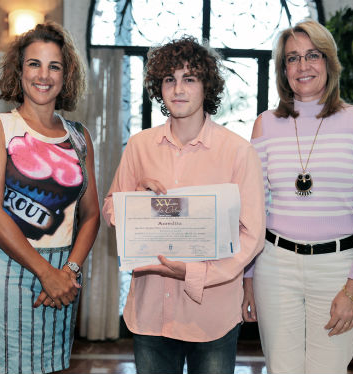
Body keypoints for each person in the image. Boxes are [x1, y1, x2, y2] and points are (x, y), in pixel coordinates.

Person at [102, 36, 265, 374]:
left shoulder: (238, 152)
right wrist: (135, 201)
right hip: (150, 313)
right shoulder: (139, 146)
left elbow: (252, 236)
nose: (178, 89)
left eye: (189, 78)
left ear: (207, 86)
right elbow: (110, 209)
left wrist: (196, 273)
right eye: (169, 79)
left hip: (213, 313)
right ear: (159, 87)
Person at [241, 19, 353, 374]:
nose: (303, 66)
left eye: (313, 55)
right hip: (275, 267)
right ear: (283, 69)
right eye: (292, 58)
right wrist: (247, 279)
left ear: (329, 62)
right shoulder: (264, 125)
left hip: (338, 269)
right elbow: (254, 211)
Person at [0, 22, 100, 374]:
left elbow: (91, 215)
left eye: (54, 66)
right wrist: (46, 274)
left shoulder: (80, 137)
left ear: (66, 74)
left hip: (63, 273)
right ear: (19, 70)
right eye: (34, 64)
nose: (43, 75)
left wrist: (68, 272)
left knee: (52, 368)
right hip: (7, 268)